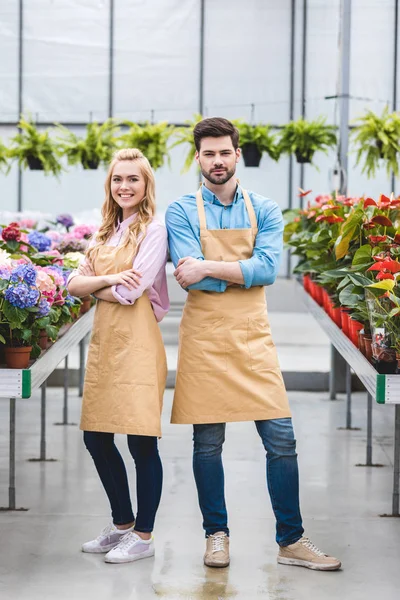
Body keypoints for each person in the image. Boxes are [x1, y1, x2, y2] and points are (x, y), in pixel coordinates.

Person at [165, 118, 341, 571]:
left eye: (225, 152)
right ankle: (216, 536)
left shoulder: (264, 208)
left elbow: (266, 271)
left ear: (237, 154)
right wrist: (227, 271)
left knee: (281, 440)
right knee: (207, 444)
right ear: (198, 158)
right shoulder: (180, 211)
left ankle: (292, 540)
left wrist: (209, 267)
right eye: (209, 153)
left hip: (252, 337)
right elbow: (192, 280)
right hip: (205, 339)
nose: (217, 161)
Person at [67, 148, 169, 564]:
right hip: (107, 346)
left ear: (146, 187)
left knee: (141, 440)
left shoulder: (155, 230)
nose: (124, 186)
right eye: (117, 180)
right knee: (96, 436)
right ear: (109, 186)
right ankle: (122, 523)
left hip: (139, 345)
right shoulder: (104, 232)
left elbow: (133, 291)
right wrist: (106, 278)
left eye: (133, 179)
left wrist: (97, 285)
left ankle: (143, 536)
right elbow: (73, 284)